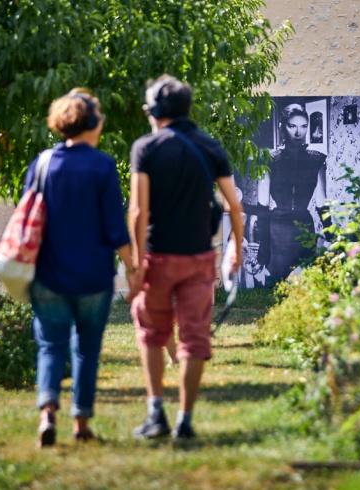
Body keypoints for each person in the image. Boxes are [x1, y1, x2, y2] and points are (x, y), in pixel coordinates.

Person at [127, 75, 244, 440]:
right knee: (194, 338)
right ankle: (186, 420)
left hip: (159, 255)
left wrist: (135, 263)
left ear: (156, 111)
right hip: (199, 257)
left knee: (151, 332)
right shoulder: (209, 146)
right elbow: (233, 205)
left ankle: (155, 414)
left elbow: (137, 211)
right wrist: (236, 248)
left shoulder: (146, 148)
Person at [25, 88, 132, 447]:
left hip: (48, 274)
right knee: (86, 348)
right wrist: (133, 268)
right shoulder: (102, 166)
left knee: (50, 346)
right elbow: (116, 228)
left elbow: (29, 216)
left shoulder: (41, 164)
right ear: (92, 123)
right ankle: (81, 422)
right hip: (93, 276)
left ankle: (46, 413)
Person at [255, 103, 327, 281]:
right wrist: (263, 252)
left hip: (305, 227)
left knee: (304, 284)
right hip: (278, 230)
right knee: (279, 284)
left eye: (303, 126)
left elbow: (322, 204)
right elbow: (262, 208)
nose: (298, 132)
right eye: (292, 126)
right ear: (283, 127)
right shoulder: (269, 160)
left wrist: (333, 236)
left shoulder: (317, 160)